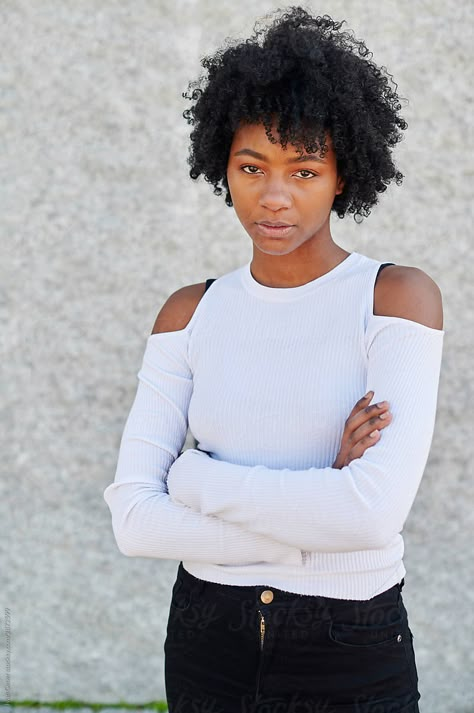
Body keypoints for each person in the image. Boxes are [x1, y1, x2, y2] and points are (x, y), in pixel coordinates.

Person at [103, 7, 444, 712]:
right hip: (208, 638)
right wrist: (317, 504)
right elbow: (135, 521)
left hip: (350, 641)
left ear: (343, 174)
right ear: (223, 167)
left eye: (305, 168)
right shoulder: (188, 313)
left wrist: (193, 477)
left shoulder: (395, 298)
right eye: (251, 166)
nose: (275, 195)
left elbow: (371, 518)